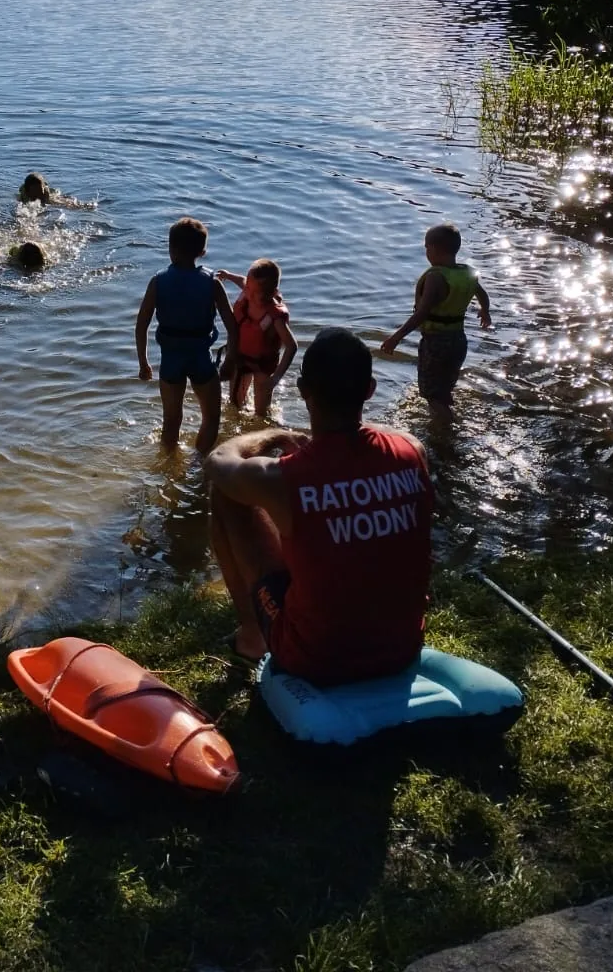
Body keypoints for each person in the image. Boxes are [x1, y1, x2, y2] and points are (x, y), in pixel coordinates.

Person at [204, 327, 432, 678]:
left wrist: (275, 435)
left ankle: (252, 637)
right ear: (369, 390)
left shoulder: (285, 478)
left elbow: (218, 462)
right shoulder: (412, 452)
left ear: (303, 391)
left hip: (315, 657)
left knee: (228, 495)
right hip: (401, 646)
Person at [135, 217, 239, 454]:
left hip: (171, 360)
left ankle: (169, 467)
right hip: (201, 358)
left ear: (170, 249)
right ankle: (199, 461)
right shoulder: (212, 283)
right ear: (202, 252)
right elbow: (232, 326)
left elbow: (142, 325)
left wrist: (144, 361)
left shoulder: (158, 282)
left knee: (171, 420)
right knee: (212, 417)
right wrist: (231, 359)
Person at [380, 223, 492, 418]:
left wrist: (396, 337)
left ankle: (447, 429)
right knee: (444, 387)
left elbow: (422, 313)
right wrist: (485, 312)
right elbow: (483, 295)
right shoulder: (467, 274)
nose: (426, 251)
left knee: (432, 395)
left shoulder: (435, 277)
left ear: (434, 248)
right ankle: (445, 417)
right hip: (458, 341)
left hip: (436, 343)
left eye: (426, 247)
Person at [215, 259, 298, 417]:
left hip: (263, 365)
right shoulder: (248, 289)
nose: (249, 295)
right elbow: (243, 281)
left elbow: (291, 346)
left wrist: (275, 378)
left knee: (261, 412)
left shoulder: (275, 317)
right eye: (248, 289)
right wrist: (228, 276)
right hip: (241, 358)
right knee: (235, 404)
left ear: (272, 294)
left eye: (255, 294)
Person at [17, 172, 91, 209]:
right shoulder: (23, 195)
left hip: (45, 189)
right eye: (35, 193)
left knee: (56, 200)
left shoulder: (45, 193)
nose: (38, 195)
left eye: (40, 192)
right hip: (29, 187)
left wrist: (80, 206)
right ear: (28, 192)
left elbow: (58, 203)